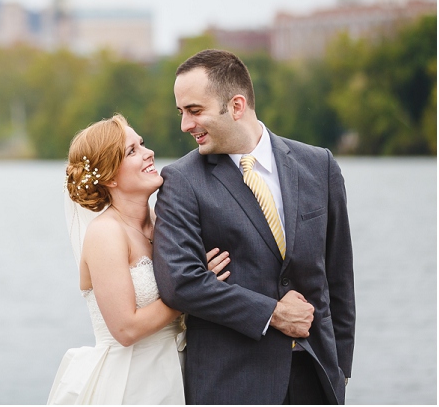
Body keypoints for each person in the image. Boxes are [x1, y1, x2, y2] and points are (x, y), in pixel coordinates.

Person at [153, 49, 355, 404]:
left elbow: (339, 276)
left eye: (194, 111)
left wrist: (341, 370)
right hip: (233, 384)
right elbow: (180, 282)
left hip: (318, 379)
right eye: (181, 112)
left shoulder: (319, 166)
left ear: (236, 105)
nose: (185, 125)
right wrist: (273, 313)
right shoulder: (181, 181)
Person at [48, 115, 231, 405]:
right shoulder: (105, 233)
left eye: (142, 144)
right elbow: (125, 329)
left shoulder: (164, 223)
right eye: (132, 151)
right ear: (109, 176)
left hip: (183, 373)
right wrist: (197, 287)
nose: (149, 153)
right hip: (131, 383)